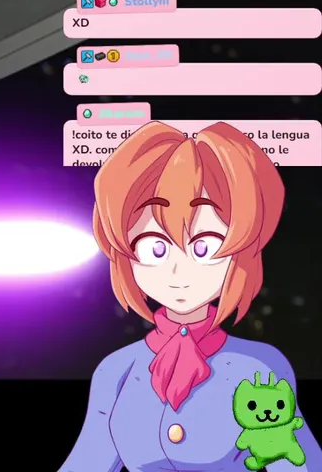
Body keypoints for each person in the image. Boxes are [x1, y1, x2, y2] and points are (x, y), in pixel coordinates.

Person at [62, 121, 318, 471]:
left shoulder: (260, 369)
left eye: (203, 247)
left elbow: (295, 461)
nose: (178, 270)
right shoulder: (117, 370)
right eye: (155, 247)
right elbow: (88, 462)